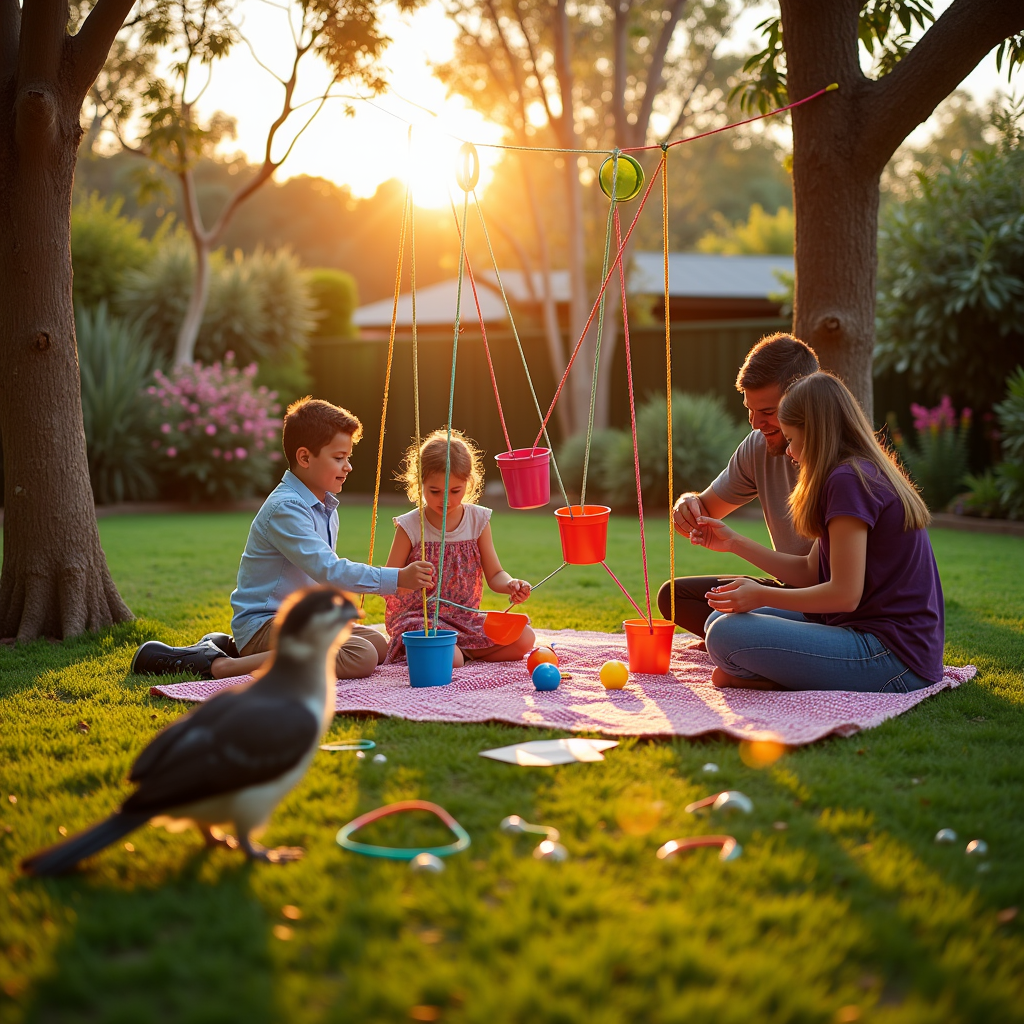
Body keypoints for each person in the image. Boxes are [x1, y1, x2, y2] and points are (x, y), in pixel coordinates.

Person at [132, 398, 434, 680]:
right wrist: (397, 579)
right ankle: (223, 665)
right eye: (339, 457)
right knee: (360, 656)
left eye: (349, 457)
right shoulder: (285, 508)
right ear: (304, 457)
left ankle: (232, 648)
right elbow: (328, 569)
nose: (349, 466)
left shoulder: (325, 506)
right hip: (264, 623)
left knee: (376, 643)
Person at [690, 372, 944, 692]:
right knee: (717, 621)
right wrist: (734, 542)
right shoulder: (851, 472)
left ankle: (769, 681)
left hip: (893, 657)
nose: (790, 452)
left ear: (816, 434)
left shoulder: (848, 480)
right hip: (863, 634)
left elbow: (845, 595)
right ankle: (765, 677)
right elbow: (811, 572)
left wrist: (761, 594)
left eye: (792, 439)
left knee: (727, 634)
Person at [658, 333, 820, 642]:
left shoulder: (834, 463)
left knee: (726, 627)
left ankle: (749, 647)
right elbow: (704, 509)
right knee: (675, 597)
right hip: (789, 590)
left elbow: (818, 576)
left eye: (769, 412)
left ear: (803, 400)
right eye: (750, 408)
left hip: (826, 603)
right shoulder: (759, 447)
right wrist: (688, 506)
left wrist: (736, 546)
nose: (755, 422)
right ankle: (750, 645)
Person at [383, 429, 535, 667]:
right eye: (435, 491)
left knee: (525, 638)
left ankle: (463, 654)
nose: (446, 500)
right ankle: (458, 655)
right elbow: (388, 580)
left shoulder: (478, 521)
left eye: (455, 491)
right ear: (419, 482)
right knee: (449, 657)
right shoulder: (410, 525)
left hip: (464, 619)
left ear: (468, 482)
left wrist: (511, 584)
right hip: (421, 620)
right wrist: (405, 579)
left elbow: (495, 575)